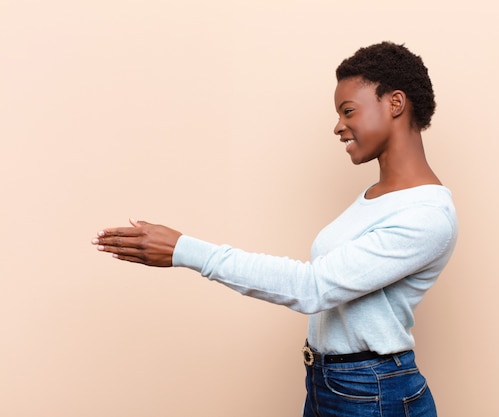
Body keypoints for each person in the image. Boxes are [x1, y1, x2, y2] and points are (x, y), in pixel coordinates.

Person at [92, 41, 458, 417]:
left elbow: (313, 287)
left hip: (373, 394)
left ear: (395, 103)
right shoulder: (376, 197)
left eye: (348, 111)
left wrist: (185, 250)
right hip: (330, 383)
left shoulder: (426, 215)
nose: (338, 126)